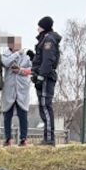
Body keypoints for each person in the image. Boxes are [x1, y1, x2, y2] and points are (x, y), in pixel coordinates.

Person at [31, 16, 61, 145]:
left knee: (45, 106)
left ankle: (49, 138)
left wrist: (41, 76)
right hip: (44, 76)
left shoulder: (48, 40)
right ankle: (47, 137)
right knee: (44, 107)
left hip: (46, 78)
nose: (37, 29)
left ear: (43, 27)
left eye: (39, 26)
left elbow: (48, 60)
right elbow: (42, 58)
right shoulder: (46, 39)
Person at [0, 35, 31, 147]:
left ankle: (24, 138)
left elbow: (31, 72)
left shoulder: (26, 57)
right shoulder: (5, 56)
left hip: (22, 90)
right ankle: (8, 139)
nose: (19, 47)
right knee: (7, 115)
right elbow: (6, 63)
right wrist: (17, 54)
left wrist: (21, 71)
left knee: (23, 115)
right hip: (9, 90)